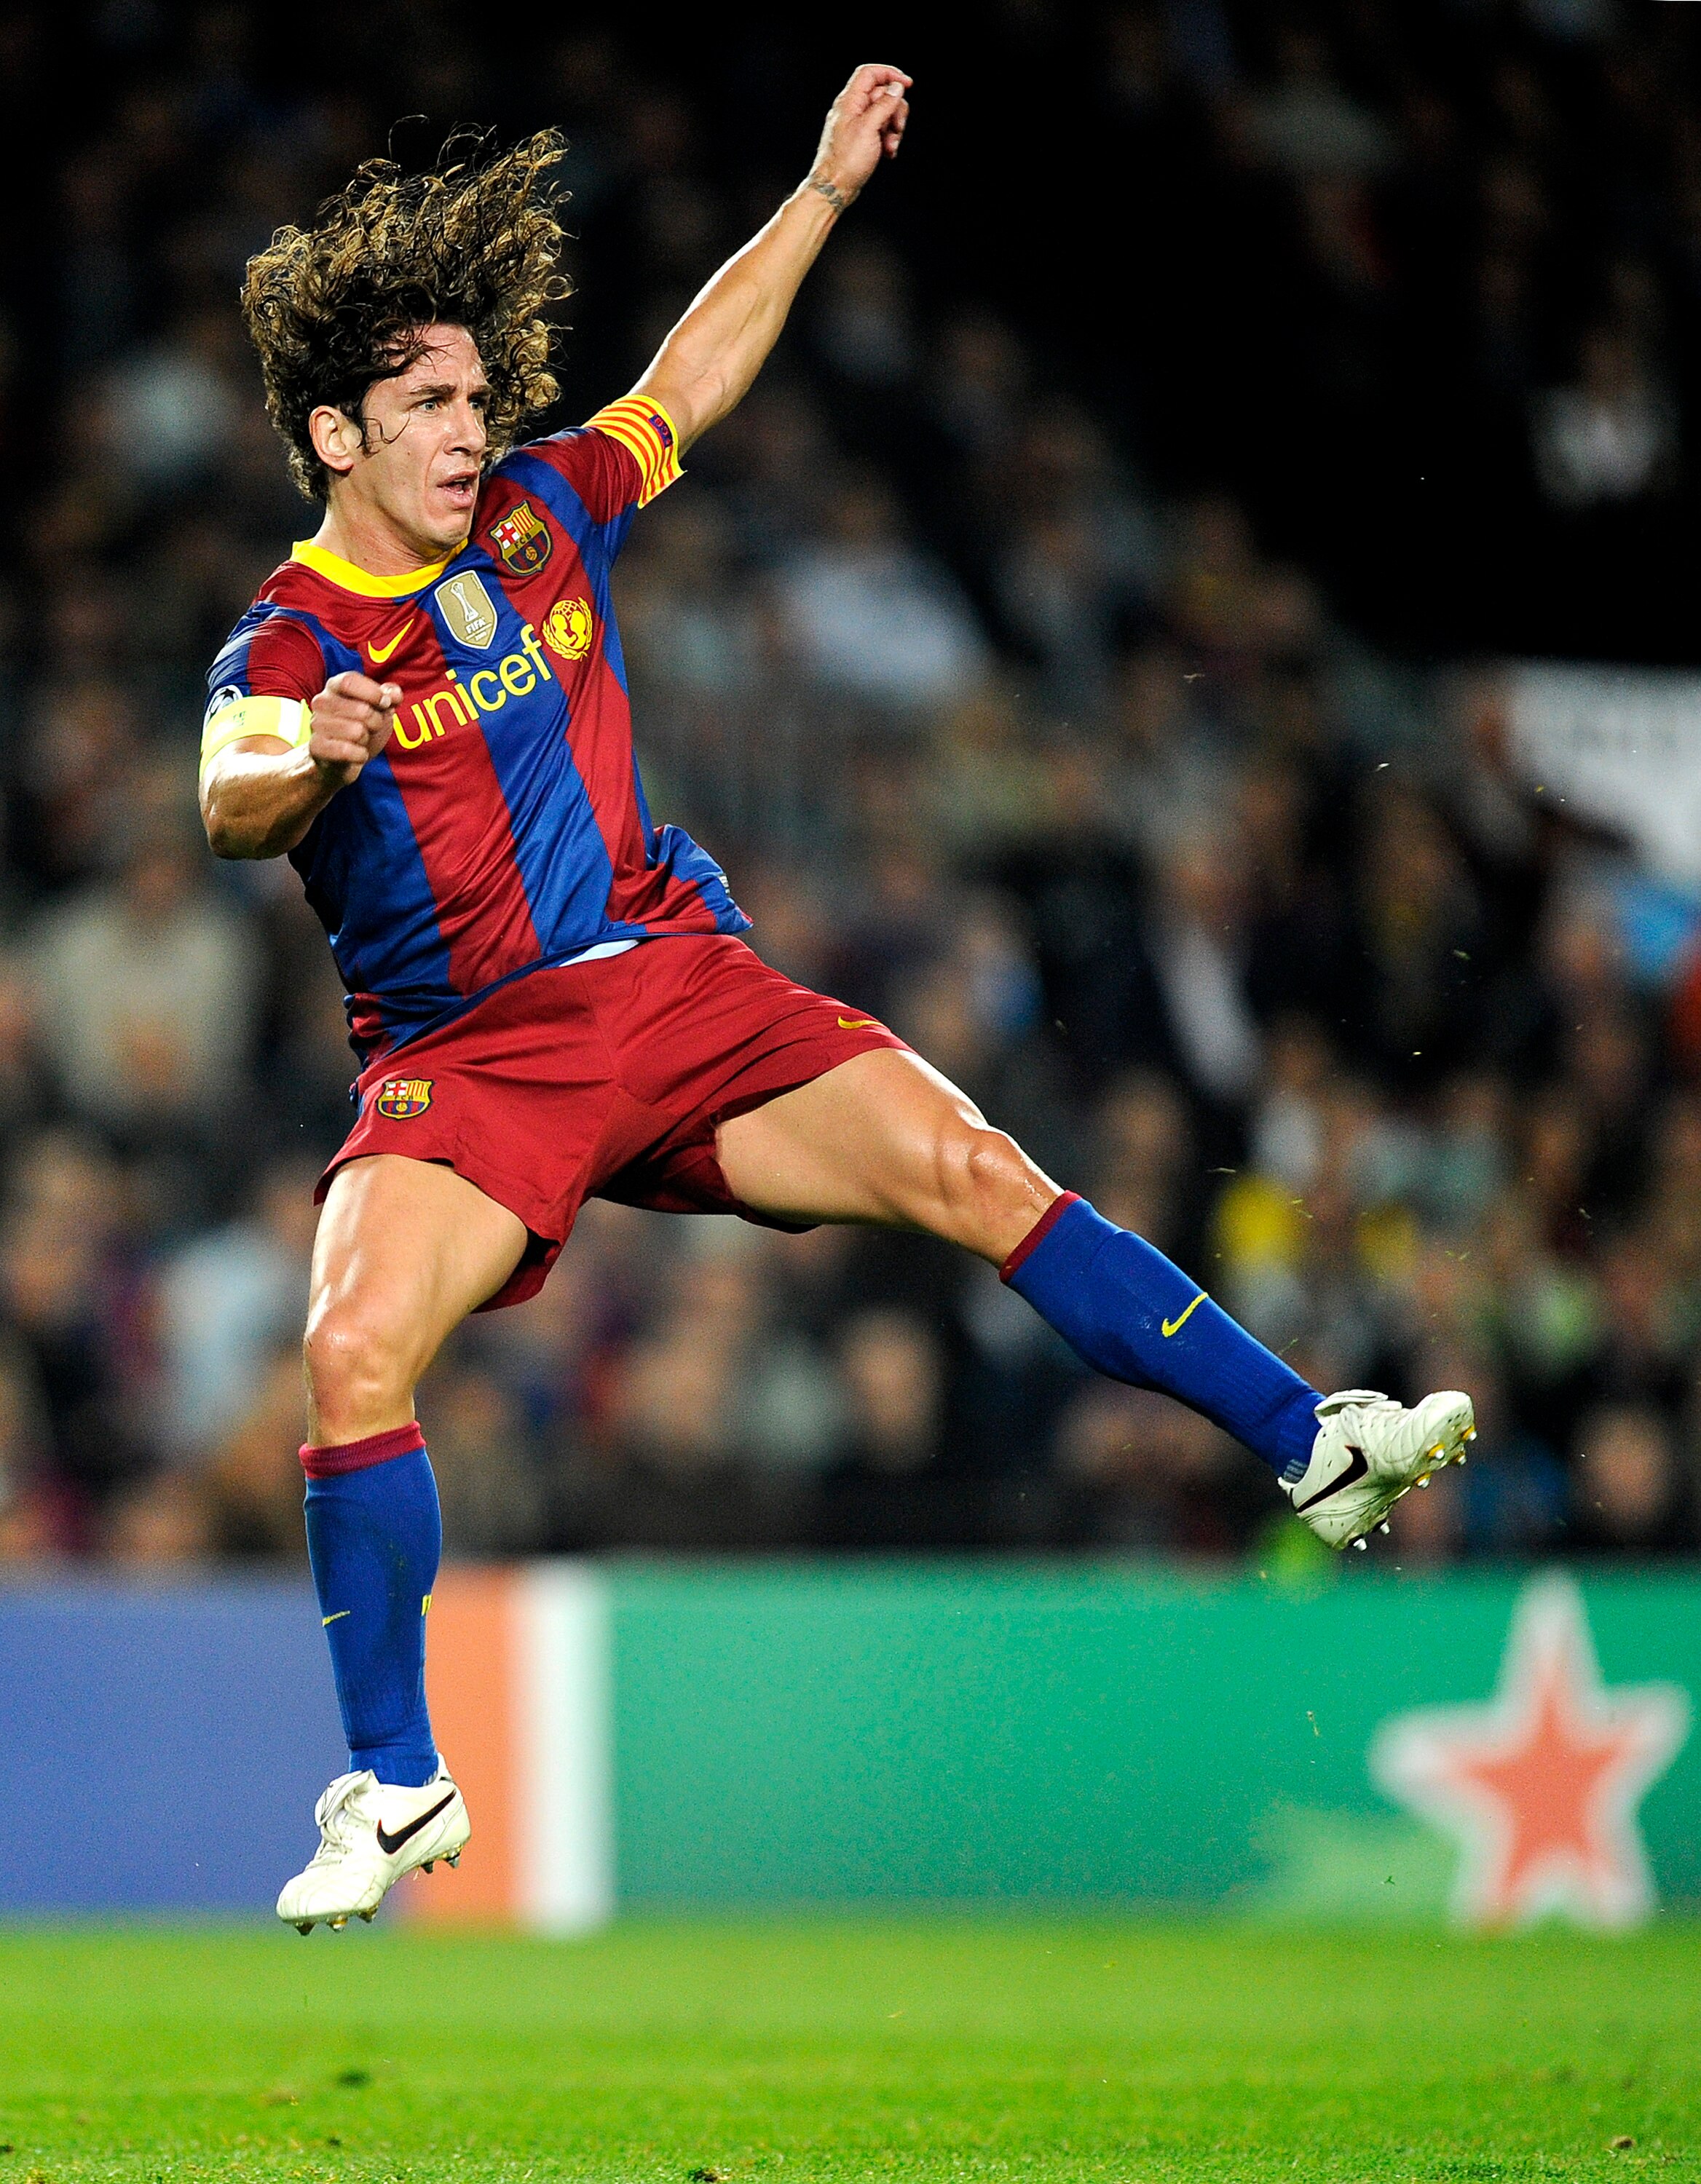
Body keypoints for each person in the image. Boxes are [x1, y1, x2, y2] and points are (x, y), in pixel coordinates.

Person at [199, 64, 1475, 1935]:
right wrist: (305, 759)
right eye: (427, 409)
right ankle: (397, 1783)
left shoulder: (550, 516)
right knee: (349, 1352)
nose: (473, 432)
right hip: (476, 1063)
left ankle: (1313, 1441)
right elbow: (227, 798)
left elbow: (689, 383)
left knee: (973, 1168)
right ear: (335, 434)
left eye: (477, 397)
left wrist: (816, 193)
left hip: (672, 984)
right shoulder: (292, 640)